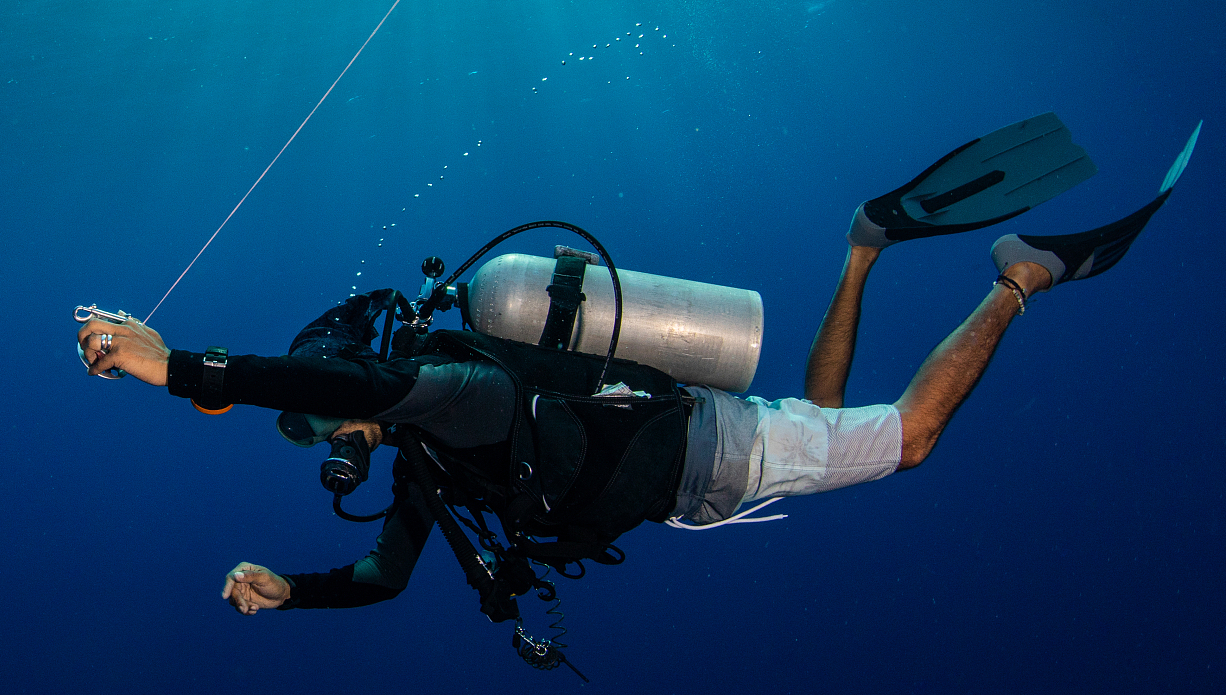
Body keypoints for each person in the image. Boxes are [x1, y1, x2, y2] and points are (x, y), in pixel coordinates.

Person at [74, 118, 1200, 625]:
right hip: (697, 450)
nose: (325, 444)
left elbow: (356, 392)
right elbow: (384, 579)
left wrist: (186, 371)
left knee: (906, 438)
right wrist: (292, 590)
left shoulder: (446, 394)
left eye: (317, 427)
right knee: (814, 415)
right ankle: (862, 246)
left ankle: (1018, 277)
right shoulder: (432, 460)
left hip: (705, 453)